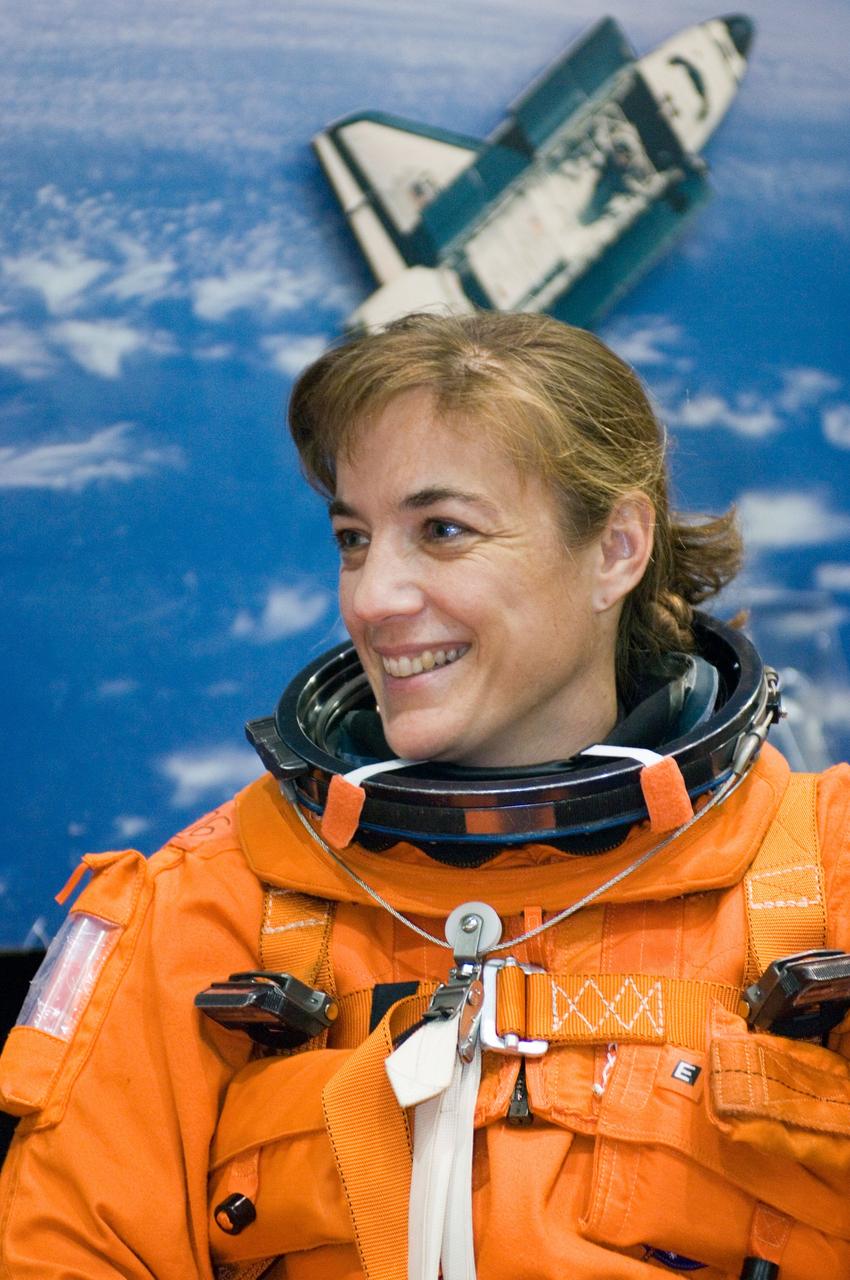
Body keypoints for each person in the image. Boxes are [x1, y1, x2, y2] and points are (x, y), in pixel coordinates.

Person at [2, 311, 850, 1280]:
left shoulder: (820, 878)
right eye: (354, 538)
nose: (371, 596)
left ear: (615, 547)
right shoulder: (216, 902)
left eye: (441, 530)